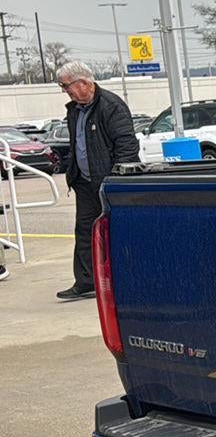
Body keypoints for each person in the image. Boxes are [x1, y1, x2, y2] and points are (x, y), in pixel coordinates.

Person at [57, 60, 139, 301]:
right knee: (84, 231)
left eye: (66, 86)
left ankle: (126, 279)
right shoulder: (74, 109)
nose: (65, 91)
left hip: (109, 184)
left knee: (115, 232)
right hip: (84, 182)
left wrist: (116, 181)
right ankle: (85, 281)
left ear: (83, 83)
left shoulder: (111, 106)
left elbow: (126, 146)